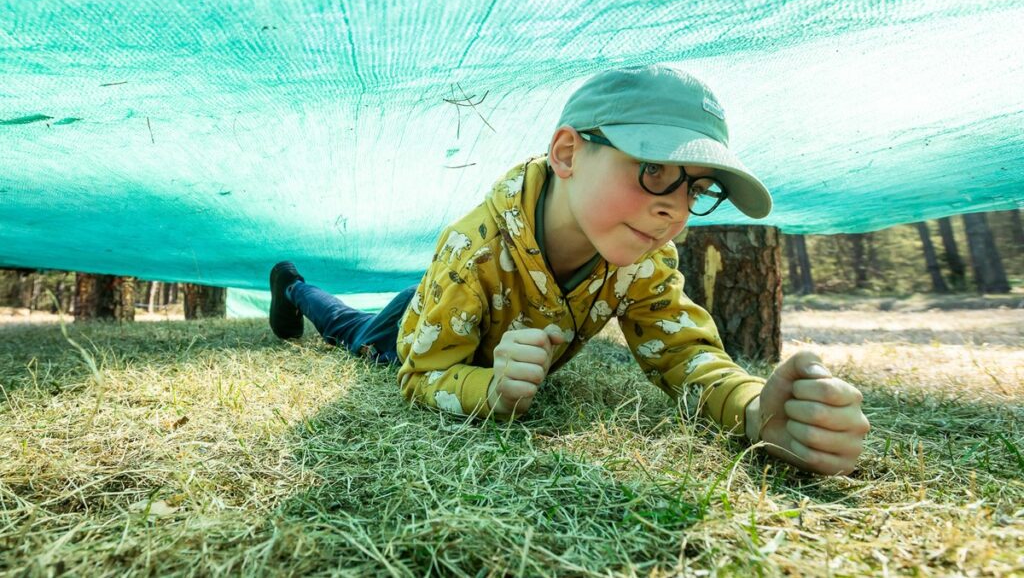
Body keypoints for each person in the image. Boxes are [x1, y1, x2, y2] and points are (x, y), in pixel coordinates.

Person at [269, 65, 869, 475]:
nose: (674, 210)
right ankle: (294, 288)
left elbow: (684, 354)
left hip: (453, 310)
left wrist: (751, 408)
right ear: (567, 153)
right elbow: (423, 374)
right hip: (419, 318)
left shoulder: (643, 258)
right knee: (351, 329)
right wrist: (490, 391)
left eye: (698, 189)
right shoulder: (471, 249)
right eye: (655, 170)